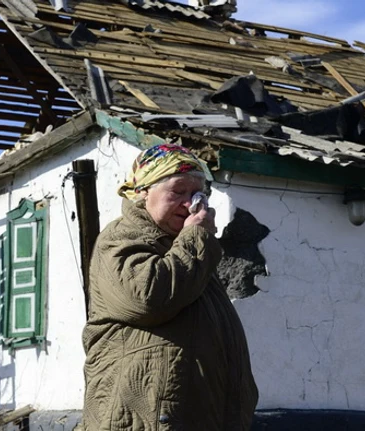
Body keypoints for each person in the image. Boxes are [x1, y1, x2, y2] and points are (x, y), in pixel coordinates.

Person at [82, 144, 258, 430]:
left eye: (198, 194)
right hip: (144, 421)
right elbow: (148, 298)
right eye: (178, 191)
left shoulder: (186, 248)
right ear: (143, 193)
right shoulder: (122, 238)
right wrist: (196, 236)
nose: (191, 204)